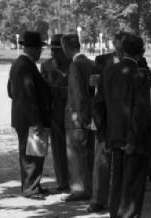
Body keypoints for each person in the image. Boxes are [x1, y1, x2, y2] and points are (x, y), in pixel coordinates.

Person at [93, 35, 151, 218]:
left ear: (122, 50)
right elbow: (140, 110)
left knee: (117, 179)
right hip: (133, 137)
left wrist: (103, 134)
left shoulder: (108, 72)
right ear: (141, 52)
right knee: (134, 181)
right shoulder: (141, 74)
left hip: (114, 135)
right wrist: (133, 139)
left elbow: (99, 105)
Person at [7, 31, 52, 200]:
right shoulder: (26, 65)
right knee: (31, 154)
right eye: (39, 48)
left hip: (22, 116)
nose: (41, 52)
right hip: (30, 118)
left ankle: (33, 184)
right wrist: (37, 121)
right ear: (32, 49)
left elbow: (10, 90)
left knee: (34, 153)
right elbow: (28, 96)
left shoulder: (18, 63)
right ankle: (30, 188)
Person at [86, 32, 127, 213]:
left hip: (126, 117)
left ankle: (121, 199)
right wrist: (91, 83)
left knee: (125, 159)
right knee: (102, 158)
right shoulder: (102, 60)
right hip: (105, 115)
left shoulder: (136, 61)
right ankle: (98, 199)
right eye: (119, 42)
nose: (121, 46)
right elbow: (93, 89)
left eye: (124, 43)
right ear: (113, 43)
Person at [61, 34, 95, 202]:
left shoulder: (75, 66)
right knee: (88, 154)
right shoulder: (91, 63)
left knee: (76, 154)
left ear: (66, 47)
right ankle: (90, 186)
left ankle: (79, 189)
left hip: (77, 116)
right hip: (91, 114)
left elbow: (78, 94)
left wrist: (82, 116)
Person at [40, 34, 71, 192]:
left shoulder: (74, 64)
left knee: (74, 147)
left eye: (57, 50)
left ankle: (76, 179)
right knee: (58, 149)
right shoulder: (46, 66)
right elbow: (43, 90)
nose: (54, 53)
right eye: (52, 50)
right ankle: (63, 181)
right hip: (55, 112)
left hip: (73, 112)